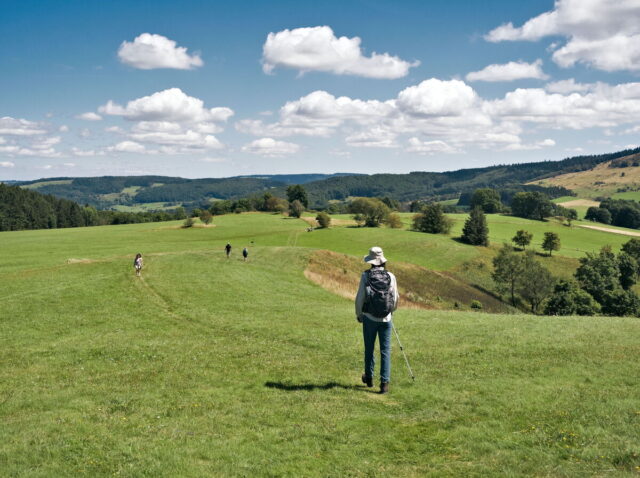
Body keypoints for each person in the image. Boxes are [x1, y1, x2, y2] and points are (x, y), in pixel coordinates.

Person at [355, 246, 399, 394]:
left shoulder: (365, 276)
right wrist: (390, 312)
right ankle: (384, 384)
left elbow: (360, 297)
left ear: (371, 261)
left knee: (369, 349)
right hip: (386, 319)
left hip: (369, 317)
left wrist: (359, 314)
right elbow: (395, 298)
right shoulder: (391, 276)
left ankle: (369, 378)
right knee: (385, 350)